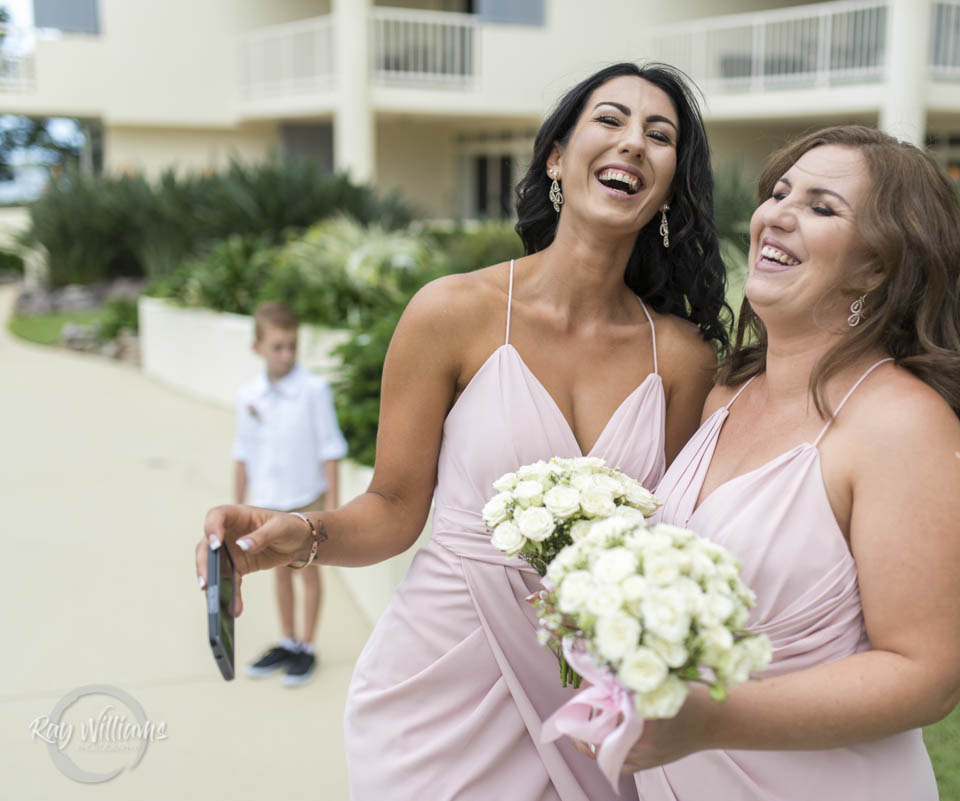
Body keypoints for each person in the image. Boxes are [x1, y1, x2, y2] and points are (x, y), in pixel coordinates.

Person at [195, 62, 729, 801]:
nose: (633, 142)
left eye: (658, 134)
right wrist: (300, 531)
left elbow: (672, 544)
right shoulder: (452, 312)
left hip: (589, 703)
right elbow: (392, 506)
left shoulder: (681, 357)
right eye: (609, 121)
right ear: (555, 156)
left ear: (670, 183)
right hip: (440, 684)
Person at [618, 126, 960, 800]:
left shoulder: (903, 426)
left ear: (876, 267)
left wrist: (711, 717)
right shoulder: (726, 395)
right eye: (779, 192)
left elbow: (928, 672)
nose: (777, 214)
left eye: (822, 207)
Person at [232, 301, 347, 687]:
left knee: (308, 571)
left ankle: (308, 646)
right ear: (258, 348)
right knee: (278, 572)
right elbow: (243, 455)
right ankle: (288, 641)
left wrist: (332, 511)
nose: (286, 354)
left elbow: (331, 449)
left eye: (292, 346)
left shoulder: (314, 390)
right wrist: (238, 508)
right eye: (278, 346)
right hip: (268, 501)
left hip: (306, 499)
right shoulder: (248, 396)